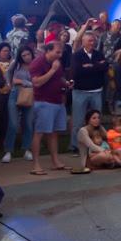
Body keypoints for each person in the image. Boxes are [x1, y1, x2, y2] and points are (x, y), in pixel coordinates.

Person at [29, 41, 71, 175]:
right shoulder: (38, 62)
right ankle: (36, 164)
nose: (60, 55)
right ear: (48, 50)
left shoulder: (57, 63)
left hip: (58, 100)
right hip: (43, 101)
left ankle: (55, 161)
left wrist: (66, 83)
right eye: (57, 52)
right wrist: (52, 70)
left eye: (61, 52)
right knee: (39, 132)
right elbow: (36, 82)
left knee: (54, 133)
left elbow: (60, 77)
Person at [69, 31, 108, 154]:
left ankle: (95, 145)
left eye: (94, 40)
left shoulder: (99, 54)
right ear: (83, 42)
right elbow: (78, 72)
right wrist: (96, 66)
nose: (93, 43)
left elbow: (105, 67)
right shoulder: (77, 55)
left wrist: (90, 66)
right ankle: (75, 146)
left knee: (97, 121)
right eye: (90, 41)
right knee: (78, 121)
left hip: (96, 91)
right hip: (80, 92)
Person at [2, 46, 35, 163]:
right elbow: (8, 74)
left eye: (28, 54)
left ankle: (27, 149)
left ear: (32, 53)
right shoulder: (16, 64)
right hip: (16, 93)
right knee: (13, 123)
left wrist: (27, 83)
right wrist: (10, 84)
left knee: (28, 123)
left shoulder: (36, 65)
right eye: (24, 55)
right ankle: (8, 150)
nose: (26, 57)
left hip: (30, 94)